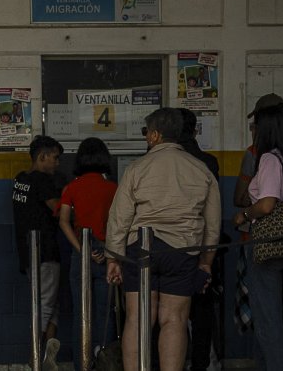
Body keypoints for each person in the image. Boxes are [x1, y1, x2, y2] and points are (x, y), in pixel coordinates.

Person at [106, 108, 221, 371]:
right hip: (183, 251)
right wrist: (205, 262)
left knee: (136, 319)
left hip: (140, 250)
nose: (146, 137)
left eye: (147, 132)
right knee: (175, 319)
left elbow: (119, 218)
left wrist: (113, 258)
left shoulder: (137, 168)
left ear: (155, 135)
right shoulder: (201, 169)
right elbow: (212, 224)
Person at [233, 103, 283, 371]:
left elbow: (267, 205)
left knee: (268, 321)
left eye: (254, 126)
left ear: (262, 129)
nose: (252, 131)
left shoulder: (268, 159)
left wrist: (244, 215)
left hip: (266, 245)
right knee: (271, 314)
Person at [58, 137, 117, 368]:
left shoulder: (71, 187)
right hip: (107, 253)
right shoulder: (113, 188)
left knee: (80, 314)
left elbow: (64, 221)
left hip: (80, 253)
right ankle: (105, 363)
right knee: (105, 314)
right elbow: (119, 223)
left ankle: (81, 364)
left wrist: (83, 250)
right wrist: (107, 250)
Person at [12, 135, 64, 368]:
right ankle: (35, 359)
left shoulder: (20, 180)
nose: (57, 163)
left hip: (28, 254)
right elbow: (58, 210)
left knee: (50, 304)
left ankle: (47, 357)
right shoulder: (43, 181)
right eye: (54, 158)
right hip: (46, 252)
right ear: (42, 157)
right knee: (45, 306)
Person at [177, 108, 222, 371]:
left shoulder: (158, 161)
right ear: (195, 130)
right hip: (204, 244)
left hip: (168, 247)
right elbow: (213, 212)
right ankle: (202, 364)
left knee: (170, 313)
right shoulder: (209, 162)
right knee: (203, 311)